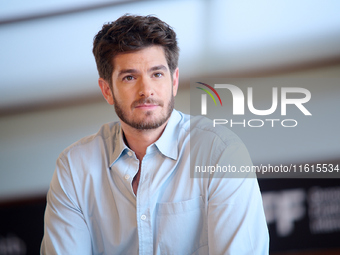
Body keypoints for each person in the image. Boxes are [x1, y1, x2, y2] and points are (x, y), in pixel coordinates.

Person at [41, 14, 269, 254]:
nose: (146, 90)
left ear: (174, 81)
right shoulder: (75, 169)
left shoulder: (220, 154)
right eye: (130, 77)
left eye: (157, 74)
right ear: (107, 90)